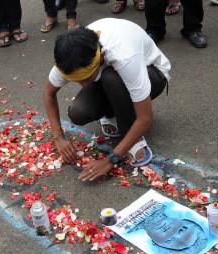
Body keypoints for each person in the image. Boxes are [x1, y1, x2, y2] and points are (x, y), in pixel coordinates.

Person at [43, 18, 170, 181]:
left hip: (152, 72)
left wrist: (112, 159)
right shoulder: (69, 57)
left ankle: (132, 136)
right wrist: (58, 137)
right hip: (111, 77)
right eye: (77, 80)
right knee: (79, 112)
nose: (83, 85)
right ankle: (110, 114)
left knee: (111, 78)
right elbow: (48, 93)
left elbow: (145, 117)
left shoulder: (124, 56)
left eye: (86, 78)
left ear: (101, 57)